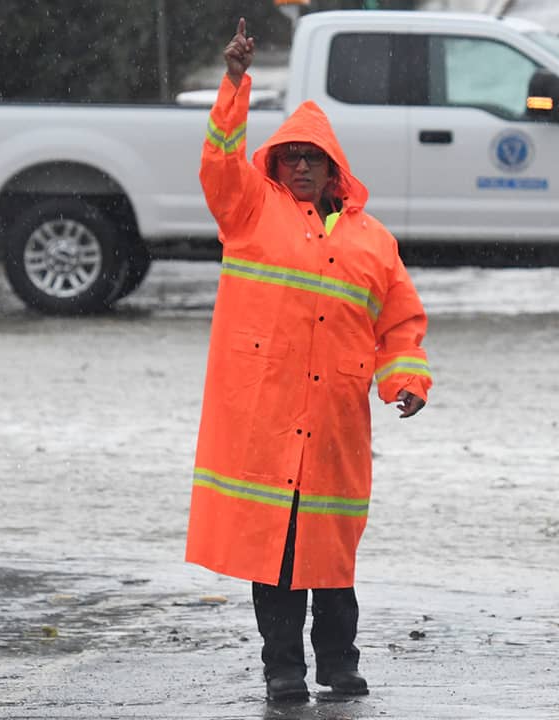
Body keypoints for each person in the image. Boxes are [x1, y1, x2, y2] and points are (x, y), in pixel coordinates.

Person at [184, 18, 432, 703]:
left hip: (334, 427)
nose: (298, 165)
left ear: (332, 168)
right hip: (265, 422)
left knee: (333, 560)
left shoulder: (373, 242)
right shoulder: (248, 211)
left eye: (310, 157)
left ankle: (340, 665)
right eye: (289, 154)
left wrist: (404, 381)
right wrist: (234, 83)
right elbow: (219, 156)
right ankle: (283, 671)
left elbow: (401, 323)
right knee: (278, 557)